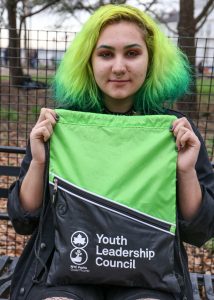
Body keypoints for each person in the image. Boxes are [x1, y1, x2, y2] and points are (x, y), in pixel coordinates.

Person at [8, 4, 214, 300]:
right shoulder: (57, 126)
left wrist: (185, 171)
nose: (119, 67)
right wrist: (40, 161)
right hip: (61, 275)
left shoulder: (177, 131)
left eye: (132, 53)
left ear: (151, 60)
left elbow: (200, 231)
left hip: (148, 277)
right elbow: (22, 221)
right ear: (88, 62)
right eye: (106, 54)